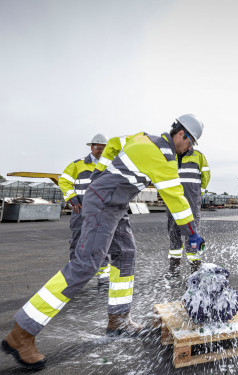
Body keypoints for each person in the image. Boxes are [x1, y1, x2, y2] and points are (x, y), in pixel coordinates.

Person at [1, 114, 206, 370]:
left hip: (113, 205)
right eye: (191, 144)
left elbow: (114, 144)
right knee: (85, 265)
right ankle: (21, 334)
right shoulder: (163, 158)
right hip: (104, 205)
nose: (189, 150)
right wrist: (193, 233)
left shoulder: (143, 137)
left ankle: (118, 320)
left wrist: (100, 171)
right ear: (183, 135)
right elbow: (176, 199)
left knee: (126, 253)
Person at [58, 134, 111, 283]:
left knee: (102, 240)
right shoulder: (77, 165)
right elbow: (64, 181)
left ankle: (103, 273)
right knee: (77, 239)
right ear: (91, 147)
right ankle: (73, 273)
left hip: (101, 210)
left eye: (104, 149)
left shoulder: (109, 165)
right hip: (80, 209)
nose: (101, 152)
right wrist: (72, 198)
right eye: (99, 149)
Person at [167, 145, 210, 275]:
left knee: (192, 237)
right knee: (174, 237)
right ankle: (174, 269)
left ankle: (195, 270)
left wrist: (197, 194)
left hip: (191, 205)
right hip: (173, 205)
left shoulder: (198, 156)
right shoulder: (170, 156)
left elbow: (205, 177)